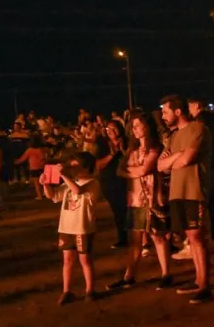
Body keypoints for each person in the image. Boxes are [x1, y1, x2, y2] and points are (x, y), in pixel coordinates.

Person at [108, 113, 174, 291]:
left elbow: (144, 169)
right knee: (135, 239)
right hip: (135, 199)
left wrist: (132, 170)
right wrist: (134, 171)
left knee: (158, 236)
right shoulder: (132, 149)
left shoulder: (155, 148)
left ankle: (166, 274)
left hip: (152, 198)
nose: (134, 129)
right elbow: (120, 171)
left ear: (147, 126)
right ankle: (129, 276)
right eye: (133, 126)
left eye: (137, 125)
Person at [158, 95, 213, 304]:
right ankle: (198, 280)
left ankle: (205, 285)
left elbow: (187, 159)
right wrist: (176, 157)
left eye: (165, 111)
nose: (163, 116)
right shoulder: (173, 137)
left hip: (194, 190)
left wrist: (175, 159)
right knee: (190, 237)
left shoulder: (197, 129)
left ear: (178, 112)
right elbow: (160, 166)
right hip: (177, 192)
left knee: (197, 236)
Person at [41, 152, 101, 304]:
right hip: (66, 227)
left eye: (75, 166)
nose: (72, 169)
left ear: (86, 168)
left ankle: (89, 290)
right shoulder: (68, 183)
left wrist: (64, 176)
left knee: (85, 259)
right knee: (67, 260)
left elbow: (78, 190)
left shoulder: (92, 183)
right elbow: (53, 197)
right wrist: (45, 184)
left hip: (82, 228)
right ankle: (66, 291)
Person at [188, 97, 214, 246]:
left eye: (190, 106)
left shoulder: (200, 121)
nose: (189, 110)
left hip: (209, 165)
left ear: (197, 105)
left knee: (209, 204)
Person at [97, 119, 129, 250]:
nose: (110, 131)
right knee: (118, 212)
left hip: (128, 181)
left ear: (120, 129)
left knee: (131, 210)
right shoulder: (104, 145)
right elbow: (98, 165)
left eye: (114, 128)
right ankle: (123, 238)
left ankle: (139, 239)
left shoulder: (128, 142)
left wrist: (123, 151)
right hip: (110, 182)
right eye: (107, 129)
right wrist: (112, 154)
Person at [15, 135, 47, 201]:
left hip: (34, 168)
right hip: (41, 167)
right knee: (42, 181)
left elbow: (22, 159)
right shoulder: (40, 149)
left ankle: (39, 196)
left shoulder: (29, 150)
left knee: (36, 183)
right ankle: (44, 193)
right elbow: (43, 158)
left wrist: (15, 162)